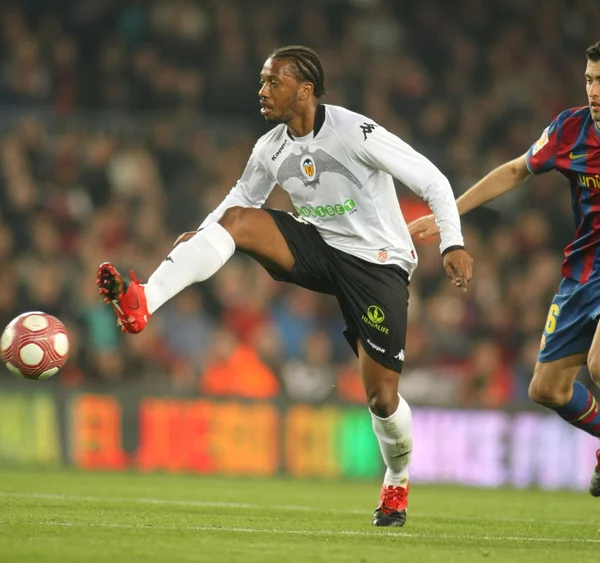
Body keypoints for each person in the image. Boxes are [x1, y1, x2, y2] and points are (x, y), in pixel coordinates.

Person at [97, 45, 473, 526]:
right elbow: (242, 197)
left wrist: (452, 243)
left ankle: (396, 481)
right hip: (318, 246)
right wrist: (209, 229)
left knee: (381, 397)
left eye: (273, 81)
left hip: (378, 266)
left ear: (306, 89)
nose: (263, 91)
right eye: (262, 81)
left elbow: (433, 180)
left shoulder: (354, 131)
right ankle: (141, 300)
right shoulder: (270, 147)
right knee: (236, 220)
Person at [409, 41, 600, 496]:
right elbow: (516, 171)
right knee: (547, 389)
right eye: (590, 79)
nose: (595, 90)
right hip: (584, 272)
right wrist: (447, 215)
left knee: (599, 362)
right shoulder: (570, 129)